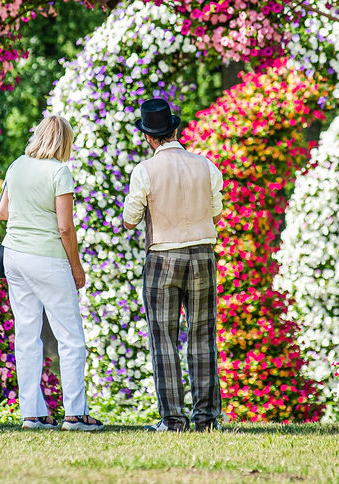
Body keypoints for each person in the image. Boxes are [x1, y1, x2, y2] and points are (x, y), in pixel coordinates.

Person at [122, 98, 224, 432]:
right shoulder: (205, 164)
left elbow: (129, 220)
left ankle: (173, 420)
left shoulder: (144, 171)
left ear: (150, 138)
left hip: (163, 255)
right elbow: (216, 211)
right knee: (202, 336)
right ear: (175, 129)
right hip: (202, 254)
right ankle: (207, 418)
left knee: (164, 340)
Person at [0, 114, 103, 432]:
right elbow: (65, 227)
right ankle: (74, 414)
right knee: (70, 337)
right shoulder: (59, 172)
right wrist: (77, 267)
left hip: (14, 257)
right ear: (64, 141)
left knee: (27, 336)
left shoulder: (16, 166)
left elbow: (3, 213)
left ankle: (32, 413)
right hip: (47, 260)